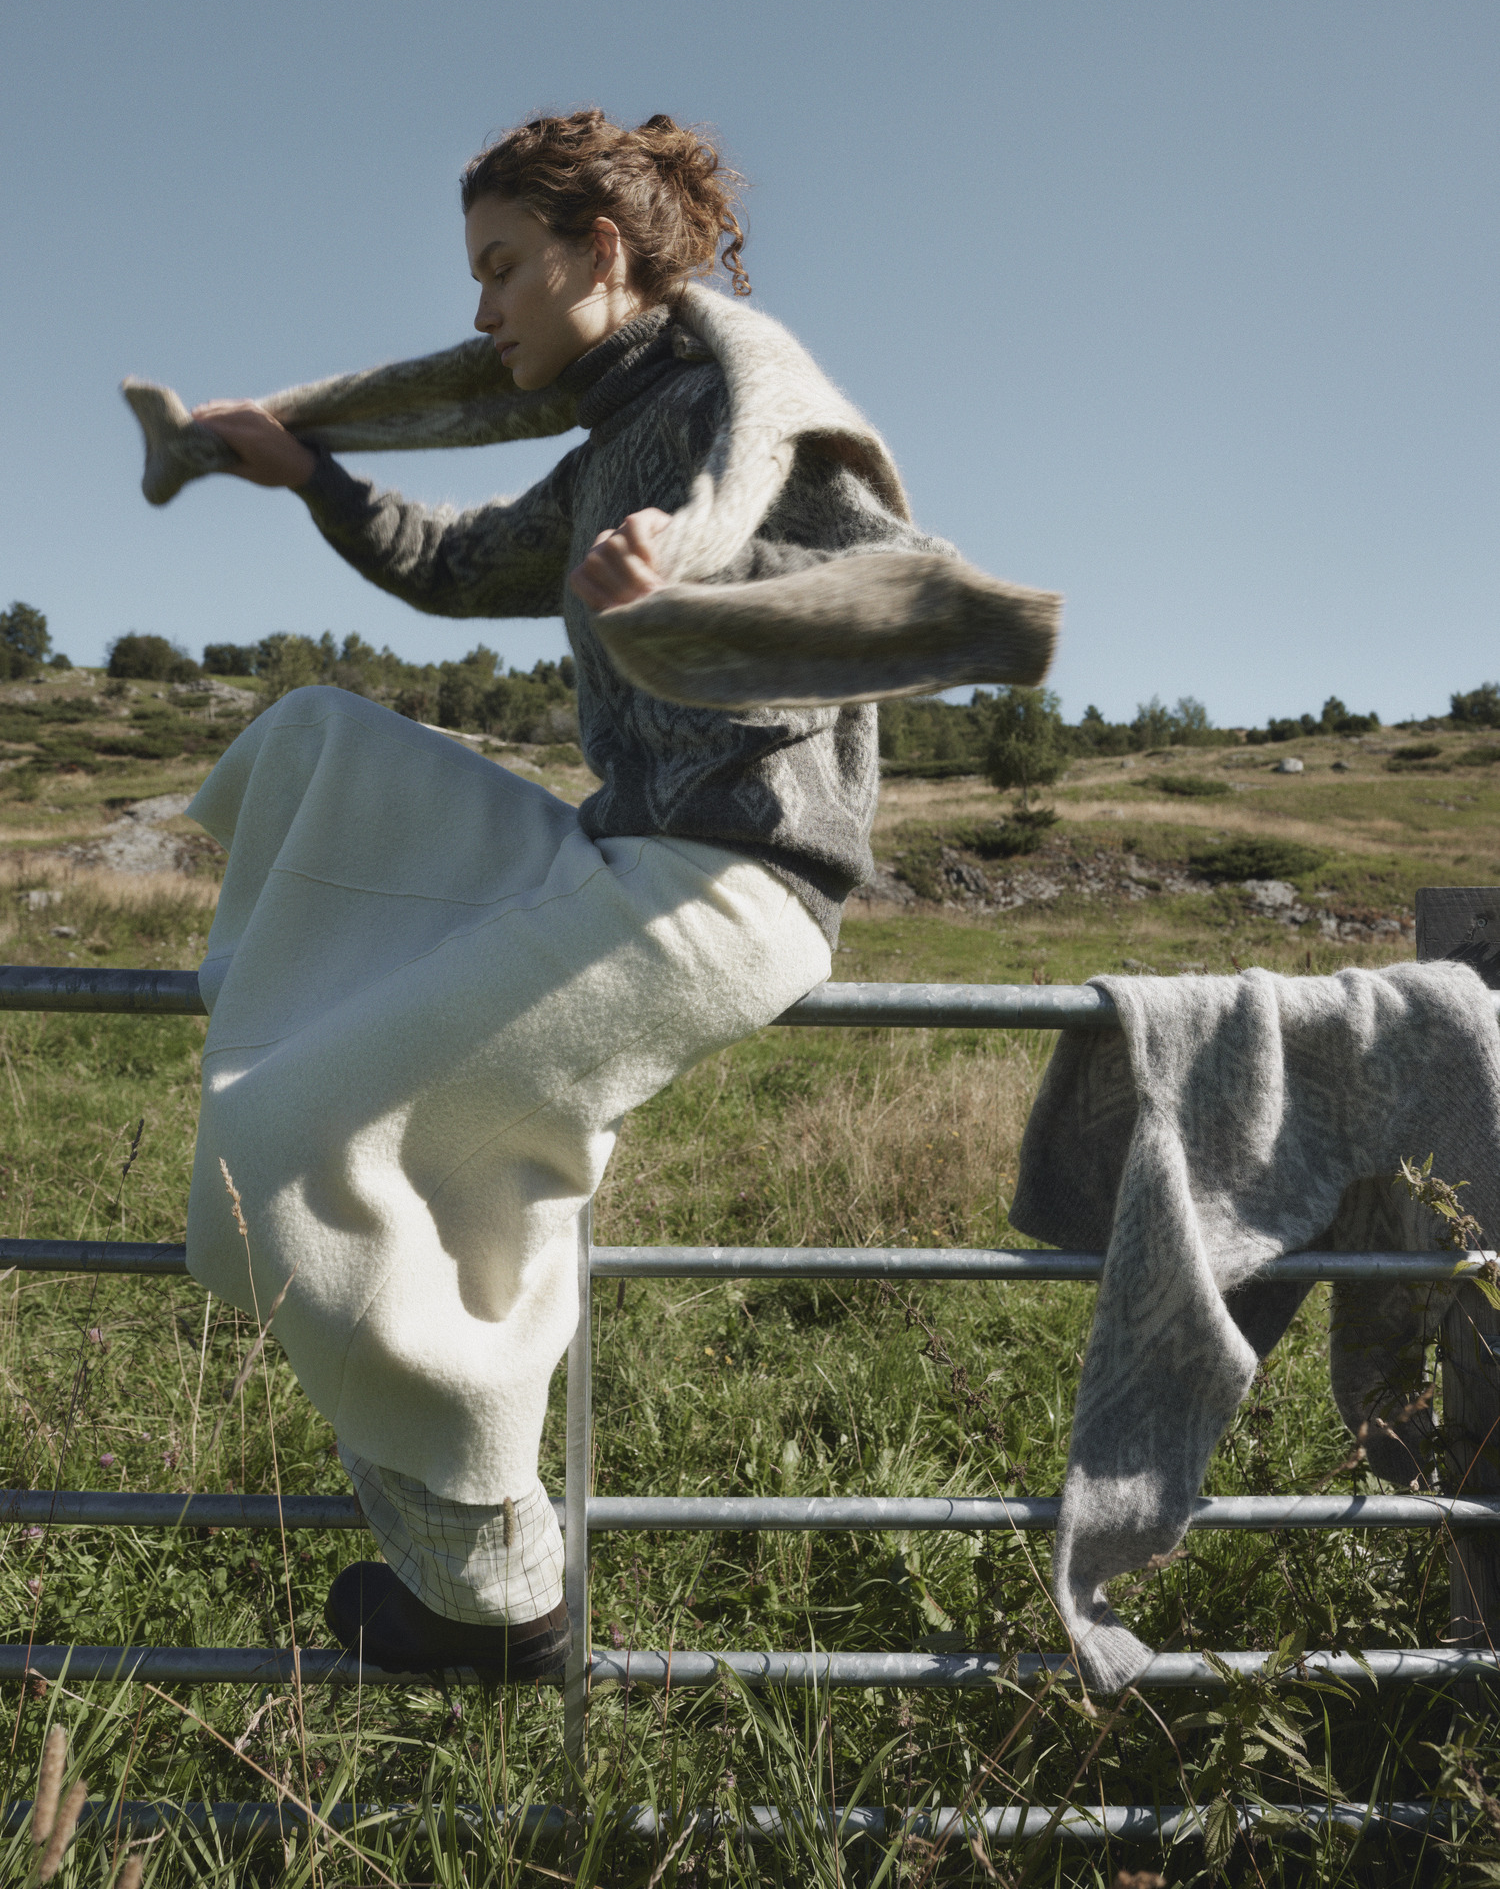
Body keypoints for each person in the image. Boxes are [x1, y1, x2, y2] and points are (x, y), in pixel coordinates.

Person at [180, 108, 1057, 1680]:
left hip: (734, 888)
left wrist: (703, 583)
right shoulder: (608, 449)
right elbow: (451, 567)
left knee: (283, 1138)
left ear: (603, 253)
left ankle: (491, 1587)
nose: (479, 307)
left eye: (504, 265)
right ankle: (286, 1012)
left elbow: (905, 601)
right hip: (622, 850)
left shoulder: (748, 419)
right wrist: (305, 468)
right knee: (321, 737)